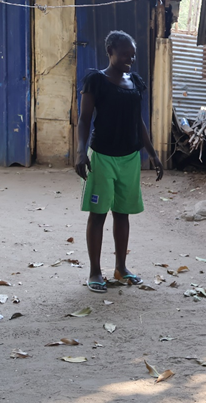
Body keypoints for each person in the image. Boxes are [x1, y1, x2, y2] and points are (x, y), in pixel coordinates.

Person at [75, 30, 164, 293]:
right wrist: (81, 152)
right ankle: (94, 272)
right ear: (110, 51)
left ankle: (121, 268)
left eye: (132, 55)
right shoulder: (96, 81)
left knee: (122, 214)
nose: (130, 59)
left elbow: (138, 121)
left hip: (129, 157)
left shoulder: (134, 82)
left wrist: (153, 153)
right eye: (125, 54)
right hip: (102, 156)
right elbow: (84, 119)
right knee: (98, 214)